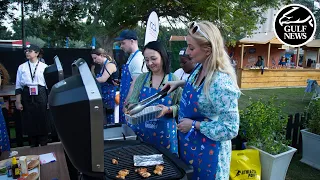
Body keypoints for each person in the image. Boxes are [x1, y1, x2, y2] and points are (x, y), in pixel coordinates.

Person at [163, 21, 241, 179]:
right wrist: (179, 83)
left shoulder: (221, 83)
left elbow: (230, 129)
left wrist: (194, 124)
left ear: (208, 49)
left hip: (210, 154)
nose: (187, 52)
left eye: (191, 48)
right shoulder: (200, 67)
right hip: (191, 145)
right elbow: (202, 89)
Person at [126, 41, 182, 155]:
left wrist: (168, 110)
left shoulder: (174, 80)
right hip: (142, 135)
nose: (150, 63)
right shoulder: (142, 79)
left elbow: (182, 107)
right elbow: (132, 101)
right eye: (146, 60)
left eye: (153, 58)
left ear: (163, 56)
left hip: (165, 136)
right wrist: (132, 107)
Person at [15, 44, 50, 147]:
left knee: (42, 119)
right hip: (27, 94)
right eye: (26, 51)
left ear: (37, 53)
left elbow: (48, 85)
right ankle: (32, 145)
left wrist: (49, 101)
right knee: (29, 120)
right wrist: (18, 101)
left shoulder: (44, 67)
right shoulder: (22, 67)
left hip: (41, 93)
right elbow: (18, 85)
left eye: (30, 51)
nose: (27, 53)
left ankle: (44, 145)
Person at [115, 29, 148, 124]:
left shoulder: (137, 59)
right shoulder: (131, 57)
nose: (121, 46)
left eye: (123, 43)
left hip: (130, 104)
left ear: (132, 41)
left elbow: (135, 84)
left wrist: (127, 103)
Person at [91, 48, 119, 124]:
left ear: (102, 55)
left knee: (109, 116)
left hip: (110, 95)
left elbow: (103, 79)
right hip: (105, 94)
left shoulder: (110, 65)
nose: (94, 61)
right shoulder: (104, 66)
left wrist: (91, 80)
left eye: (95, 58)